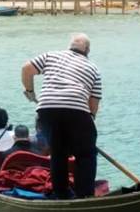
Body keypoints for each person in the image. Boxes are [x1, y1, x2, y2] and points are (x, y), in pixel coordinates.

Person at [21, 33, 102, 199]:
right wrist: (88, 121)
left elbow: (26, 69)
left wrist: (30, 92)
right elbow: (94, 101)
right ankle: (85, 196)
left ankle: (62, 194)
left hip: (47, 110)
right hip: (77, 111)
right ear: (87, 50)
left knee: (58, 153)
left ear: (69, 46)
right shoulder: (93, 68)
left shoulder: (51, 56)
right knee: (86, 154)